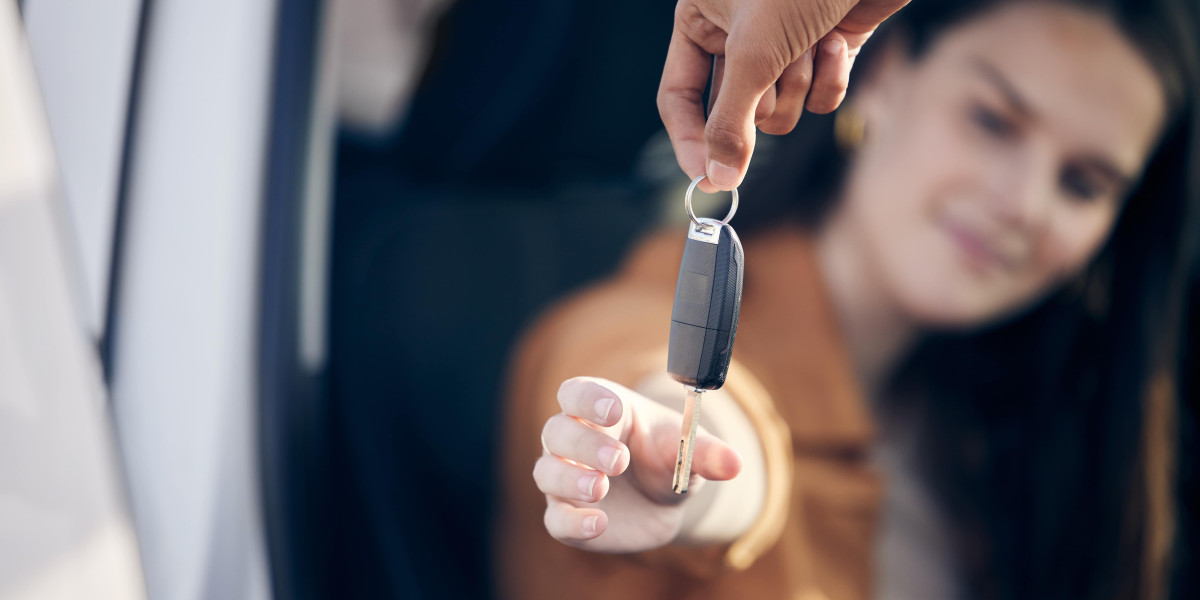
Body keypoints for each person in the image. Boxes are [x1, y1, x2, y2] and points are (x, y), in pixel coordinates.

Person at [497, 0, 1200, 598]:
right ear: (883, 74)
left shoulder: (1019, 448)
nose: (1023, 204)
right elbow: (660, 384)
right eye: (992, 120)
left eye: (1083, 183)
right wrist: (672, 475)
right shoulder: (640, 309)